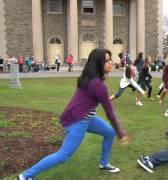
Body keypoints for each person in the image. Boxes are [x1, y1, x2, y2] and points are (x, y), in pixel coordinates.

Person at [17, 49, 129, 180]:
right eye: (107, 60)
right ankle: (24, 176)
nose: (111, 63)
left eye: (110, 59)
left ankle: (104, 164)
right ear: (98, 63)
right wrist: (121, 132)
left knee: (109, 132)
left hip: (85, 117)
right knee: (63, 156)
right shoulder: (97, 84)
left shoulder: (91, 78)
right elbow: (110, 112)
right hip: (78, 120)